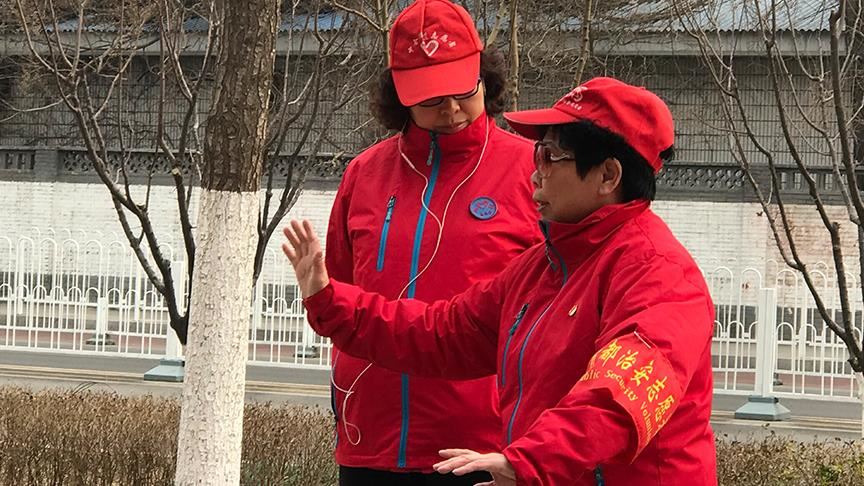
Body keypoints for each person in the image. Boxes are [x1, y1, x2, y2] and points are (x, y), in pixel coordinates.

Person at [285, 77, 717, 485]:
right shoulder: (541, 268)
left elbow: (620, 395)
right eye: (537, 153)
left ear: (608, 176)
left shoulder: (658, 273)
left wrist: (528, 461)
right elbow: (441, 333)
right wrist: (330, 301)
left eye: (550, 157)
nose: (535, 172)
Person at [321, 0, 541, 484]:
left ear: (485, 77)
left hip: (484, 443)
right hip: (371, 439)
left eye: (464, 91)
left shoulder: (533, 172)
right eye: (431, 99)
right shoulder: (364, 174)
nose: (452, 110)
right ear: (399, 96)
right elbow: (340, 291)